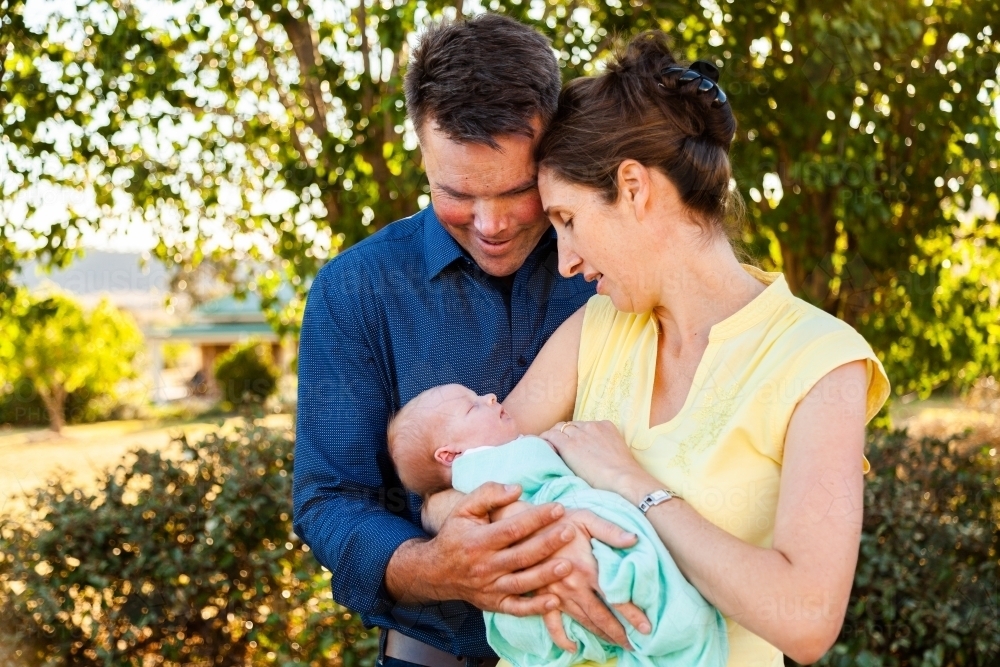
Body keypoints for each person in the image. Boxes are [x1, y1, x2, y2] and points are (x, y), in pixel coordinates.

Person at [423, 32, 891, 667]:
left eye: (566, 220)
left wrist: (629, 484)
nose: (564, 262)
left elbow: (806, 621)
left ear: (634, 188)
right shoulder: (595, 330)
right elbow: (448, 494)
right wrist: (542, 543)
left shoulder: (819, 363)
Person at [293, 14, 648, 667]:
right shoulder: (353, 292)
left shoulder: (621, 269)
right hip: (434, 653)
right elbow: (330, 498)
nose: (490, 225)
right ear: (422, 153)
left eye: (517, 192)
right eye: (456, 193)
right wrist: (442, 565)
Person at [385, 382, 728, 667]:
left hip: (539, 588)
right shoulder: (481, 466)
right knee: (634, 575)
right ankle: (677, 635)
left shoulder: (477, 471)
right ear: (451, 455)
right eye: (473, 407)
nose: (489, 396)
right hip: (561, 538)